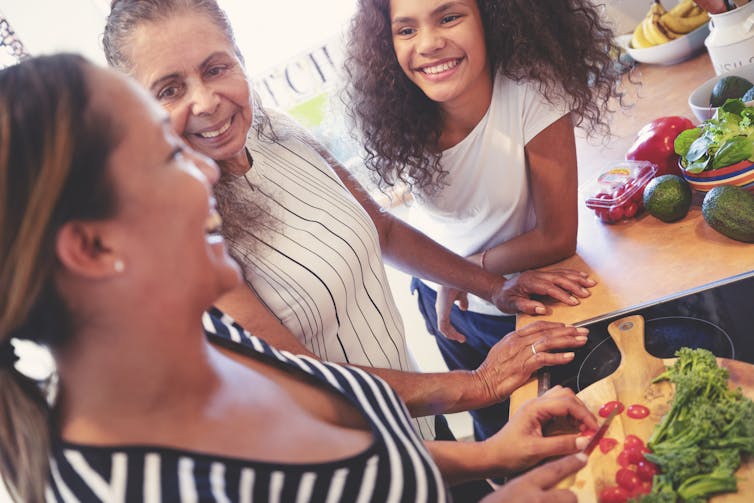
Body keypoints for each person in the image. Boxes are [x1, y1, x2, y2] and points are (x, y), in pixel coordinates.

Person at [0, 52, 597, 502]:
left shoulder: (212, 343)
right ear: (93, 246)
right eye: (167, 154)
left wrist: (486, 455)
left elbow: (356, 471)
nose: (207, 175)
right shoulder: (144, 486)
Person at [101, 0, 596, 451]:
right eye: (169, 89)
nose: (206, 101)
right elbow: (302, 379)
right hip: (361, 465)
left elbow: (380, 227)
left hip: (423, 417)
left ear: (239, 59)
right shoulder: (177, 234)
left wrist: (493, 285)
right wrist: (481, 386)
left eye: (216, 68)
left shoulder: (275, 129)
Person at [343, 0, 626, 441]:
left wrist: (467, 271)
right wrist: (449, 279)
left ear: (490, 17)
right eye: (405, 30)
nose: (429, 44)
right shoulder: (401, 115)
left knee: (555, 433)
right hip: (445, 304)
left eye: (449, 17)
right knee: (491, 432)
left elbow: (557, 236)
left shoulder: (532, 93)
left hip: (523, 300)